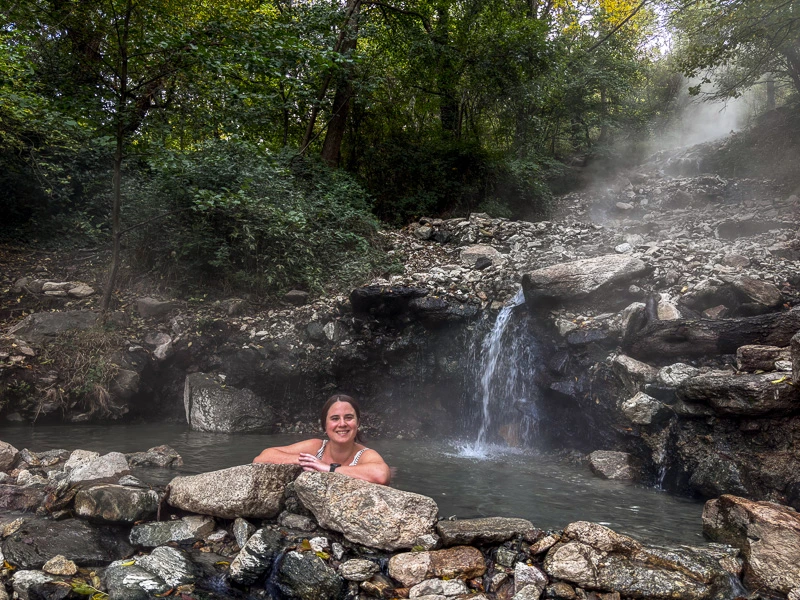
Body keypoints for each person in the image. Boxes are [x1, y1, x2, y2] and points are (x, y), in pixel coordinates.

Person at [253, 394, 391, 485]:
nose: (342, 424)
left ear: (358, 423)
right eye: (335, 418)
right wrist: (308, 461)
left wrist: (328, 468)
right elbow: (262, 458)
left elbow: (381, 475)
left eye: (348, 417)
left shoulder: (365, 455)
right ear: (325, 425)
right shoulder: (316, 447)